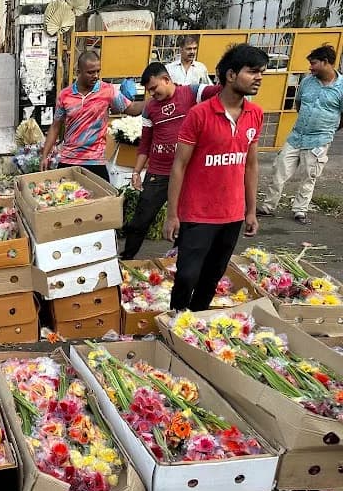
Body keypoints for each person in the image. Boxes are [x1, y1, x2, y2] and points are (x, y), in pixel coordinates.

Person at [163, 43, 268, 312]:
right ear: (230, 75)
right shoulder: (200, 114)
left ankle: (194, 325)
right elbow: (179, 165)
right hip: (197, 214)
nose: (258, 78)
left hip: (231, 214)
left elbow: (251, 164)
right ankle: (175, 321)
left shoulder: (255, 114)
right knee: (186, 276)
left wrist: (251, 210)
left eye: (262, 73)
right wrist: (172, 215)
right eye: (252, 71)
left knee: (212, 277)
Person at [120, 63, 220, 259]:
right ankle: (126, 258)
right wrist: (136, 172)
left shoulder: (192, 93)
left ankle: (177, 259)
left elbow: (221, 91)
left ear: (166, 80)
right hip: (158, 173)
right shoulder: (150, 108)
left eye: (154, 88)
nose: (151, 94)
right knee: (140, 219)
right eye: (149, 90)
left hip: (187, 173)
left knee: (186, 220)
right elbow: (145, 143)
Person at [258, 45, 343, 225]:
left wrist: (328, 129)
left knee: (309, 175)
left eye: (313, 63)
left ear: (326, 62)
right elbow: (298, 104)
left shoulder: (341, 87)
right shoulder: (307, 82)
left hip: (319, 139)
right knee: (279, 169)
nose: (310, 68)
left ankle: (300, 210)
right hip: (297, 135)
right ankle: (268, 207)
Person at [41, 51, 143, 181]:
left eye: (98, 71)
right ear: (79, 72)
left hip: (95, 161)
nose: (95, 76)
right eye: (90, 72)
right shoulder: (65, 95)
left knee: (104, 199)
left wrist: (153, 101)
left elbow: (131, 108)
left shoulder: (108, 91)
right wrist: (45, 156)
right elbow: (55, 127)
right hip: (69, 159)